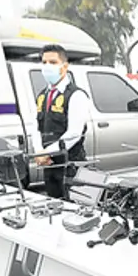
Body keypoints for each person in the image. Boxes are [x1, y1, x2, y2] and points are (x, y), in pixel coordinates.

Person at [34, 43, 91, 200]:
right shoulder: (42, 96)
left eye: (53, 62)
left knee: (73, 206)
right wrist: (38, 151)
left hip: (70, 165)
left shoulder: (76, 95)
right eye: (44, 62)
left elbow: (74, 133)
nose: (47, 66)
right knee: (53, 204)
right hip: (49, 165)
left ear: (64, 66)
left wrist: (47, 152)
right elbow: (36, 127)